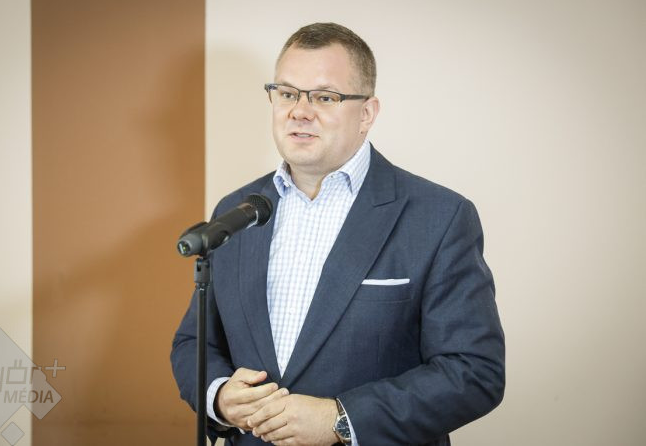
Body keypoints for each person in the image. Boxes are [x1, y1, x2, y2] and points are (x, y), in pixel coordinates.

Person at [171, 22, 505, 446]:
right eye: (287, 93)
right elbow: (194, 342)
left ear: (366, 114)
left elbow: (474, 371)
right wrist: (219, 397)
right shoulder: (236, 213)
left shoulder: (440, 216)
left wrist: (341, 419)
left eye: (325, 97)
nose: (299, 111)